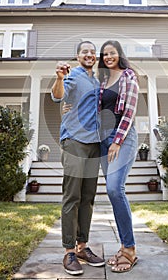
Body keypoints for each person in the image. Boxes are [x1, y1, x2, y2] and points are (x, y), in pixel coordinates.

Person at [51, 41, 105, 276]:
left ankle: (82, 247)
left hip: (94, 144)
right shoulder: (72, 76)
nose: (89, 55)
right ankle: (68, 251)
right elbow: (57, 96)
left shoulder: (96, 81)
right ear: (77, 56)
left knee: (88, 197)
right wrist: (60, 78)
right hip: (74, 141)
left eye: (93, 52)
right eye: (85, 52)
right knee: (72, 196)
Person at [98, 40, 139, 273]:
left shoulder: (128, 76)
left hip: (121, 136)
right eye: (104, 54)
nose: (108, 57)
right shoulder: (104, 81)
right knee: (113, 193)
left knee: (115, 189)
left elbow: (130, 111)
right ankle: (124, 246)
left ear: (119, 54)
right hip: (104, 138)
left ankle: (130, 249)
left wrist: (117, 141)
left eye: (112, 53)